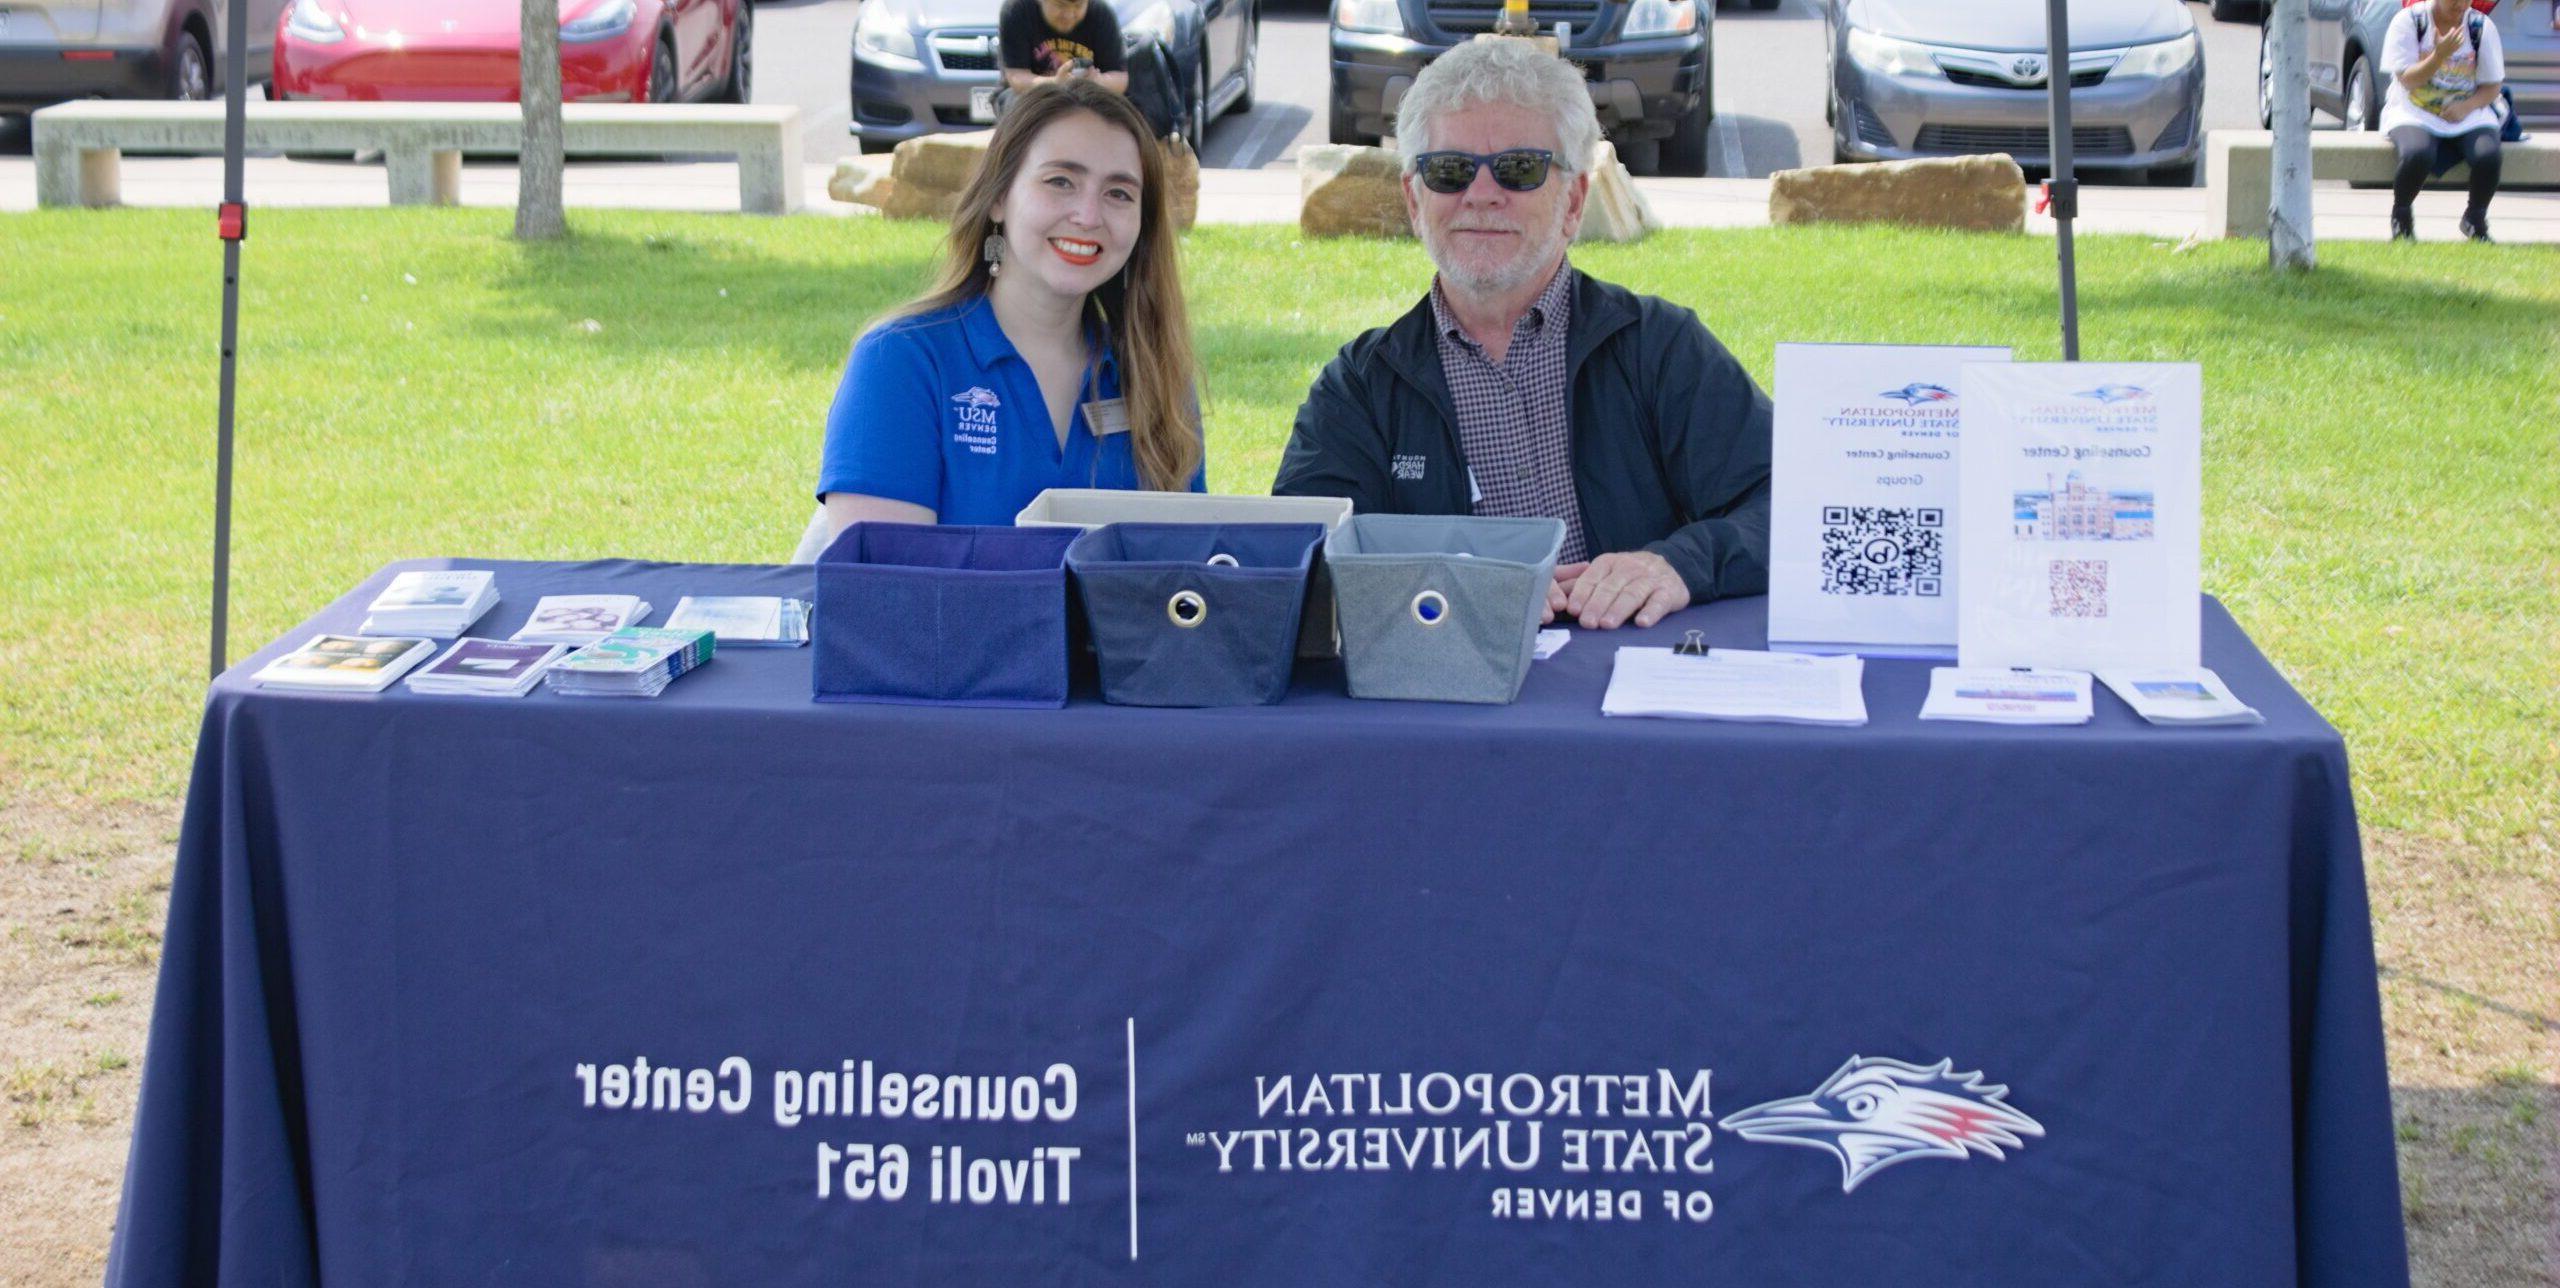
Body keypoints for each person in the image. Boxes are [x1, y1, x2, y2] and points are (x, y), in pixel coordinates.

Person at [1272, 37, 1770, 631]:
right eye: (1450, 171)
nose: (1482, 194)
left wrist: (1676, 564)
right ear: (1413, 199)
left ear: (1573, 200)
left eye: (1519, 168)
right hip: (1447, 696)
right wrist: (1467, 589)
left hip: (1628, 683)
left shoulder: (1659, 348)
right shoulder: (1361, 389)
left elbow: (1787, 507)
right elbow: (1300, 560)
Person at [815, 79, 1202, 537]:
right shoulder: (901, 361)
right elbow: (888, 593)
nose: (1088, 215)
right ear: (999, 196)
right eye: (1060, 181)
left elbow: (1186, 581)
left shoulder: (1159, 376)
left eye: (1119, 193)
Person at [2380, 0, 2506, 242]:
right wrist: (2439, 55)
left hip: (2467, 112)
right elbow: (2406, 79)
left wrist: (2466, 107)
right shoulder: (2410, 22)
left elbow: (2492, 86)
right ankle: (2402, 217)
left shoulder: (2481, 27)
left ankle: (2475, 218)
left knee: (2488, 156)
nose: (2460, 5)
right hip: (2414, 110)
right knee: (2418, 154)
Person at [998, 0, 1128, 98]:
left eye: (1078, 6)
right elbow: (1017, 78)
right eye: (1060, 5)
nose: (1069, 15)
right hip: (1029, 95)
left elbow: (1120, 78)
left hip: (1087, 96)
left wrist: (1099, 82)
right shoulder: (1017, 10)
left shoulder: (1101, 13)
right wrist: (1056, 83)